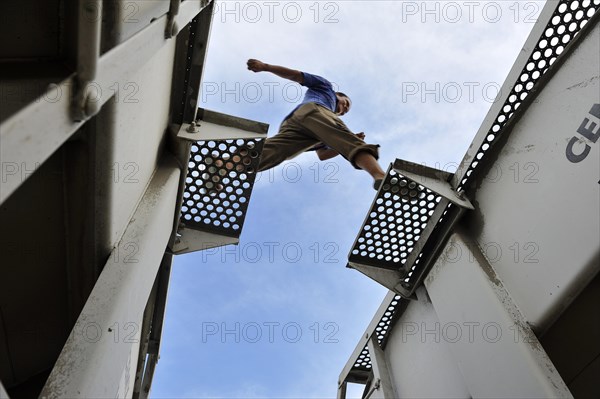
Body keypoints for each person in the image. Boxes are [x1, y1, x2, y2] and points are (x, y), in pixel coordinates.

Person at [246, 59, 387, 190]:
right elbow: (296, 75)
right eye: (346, 104)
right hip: (313, 110)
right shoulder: (326, 87)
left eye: (345, 112)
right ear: (338, 95)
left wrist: (340, 143)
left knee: (270, 153)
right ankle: (380, 175)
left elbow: (323, 155)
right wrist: (266, 67)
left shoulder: (325, 127)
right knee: (351, 141)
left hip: (297, 127)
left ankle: (224, 167)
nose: (343, 110)